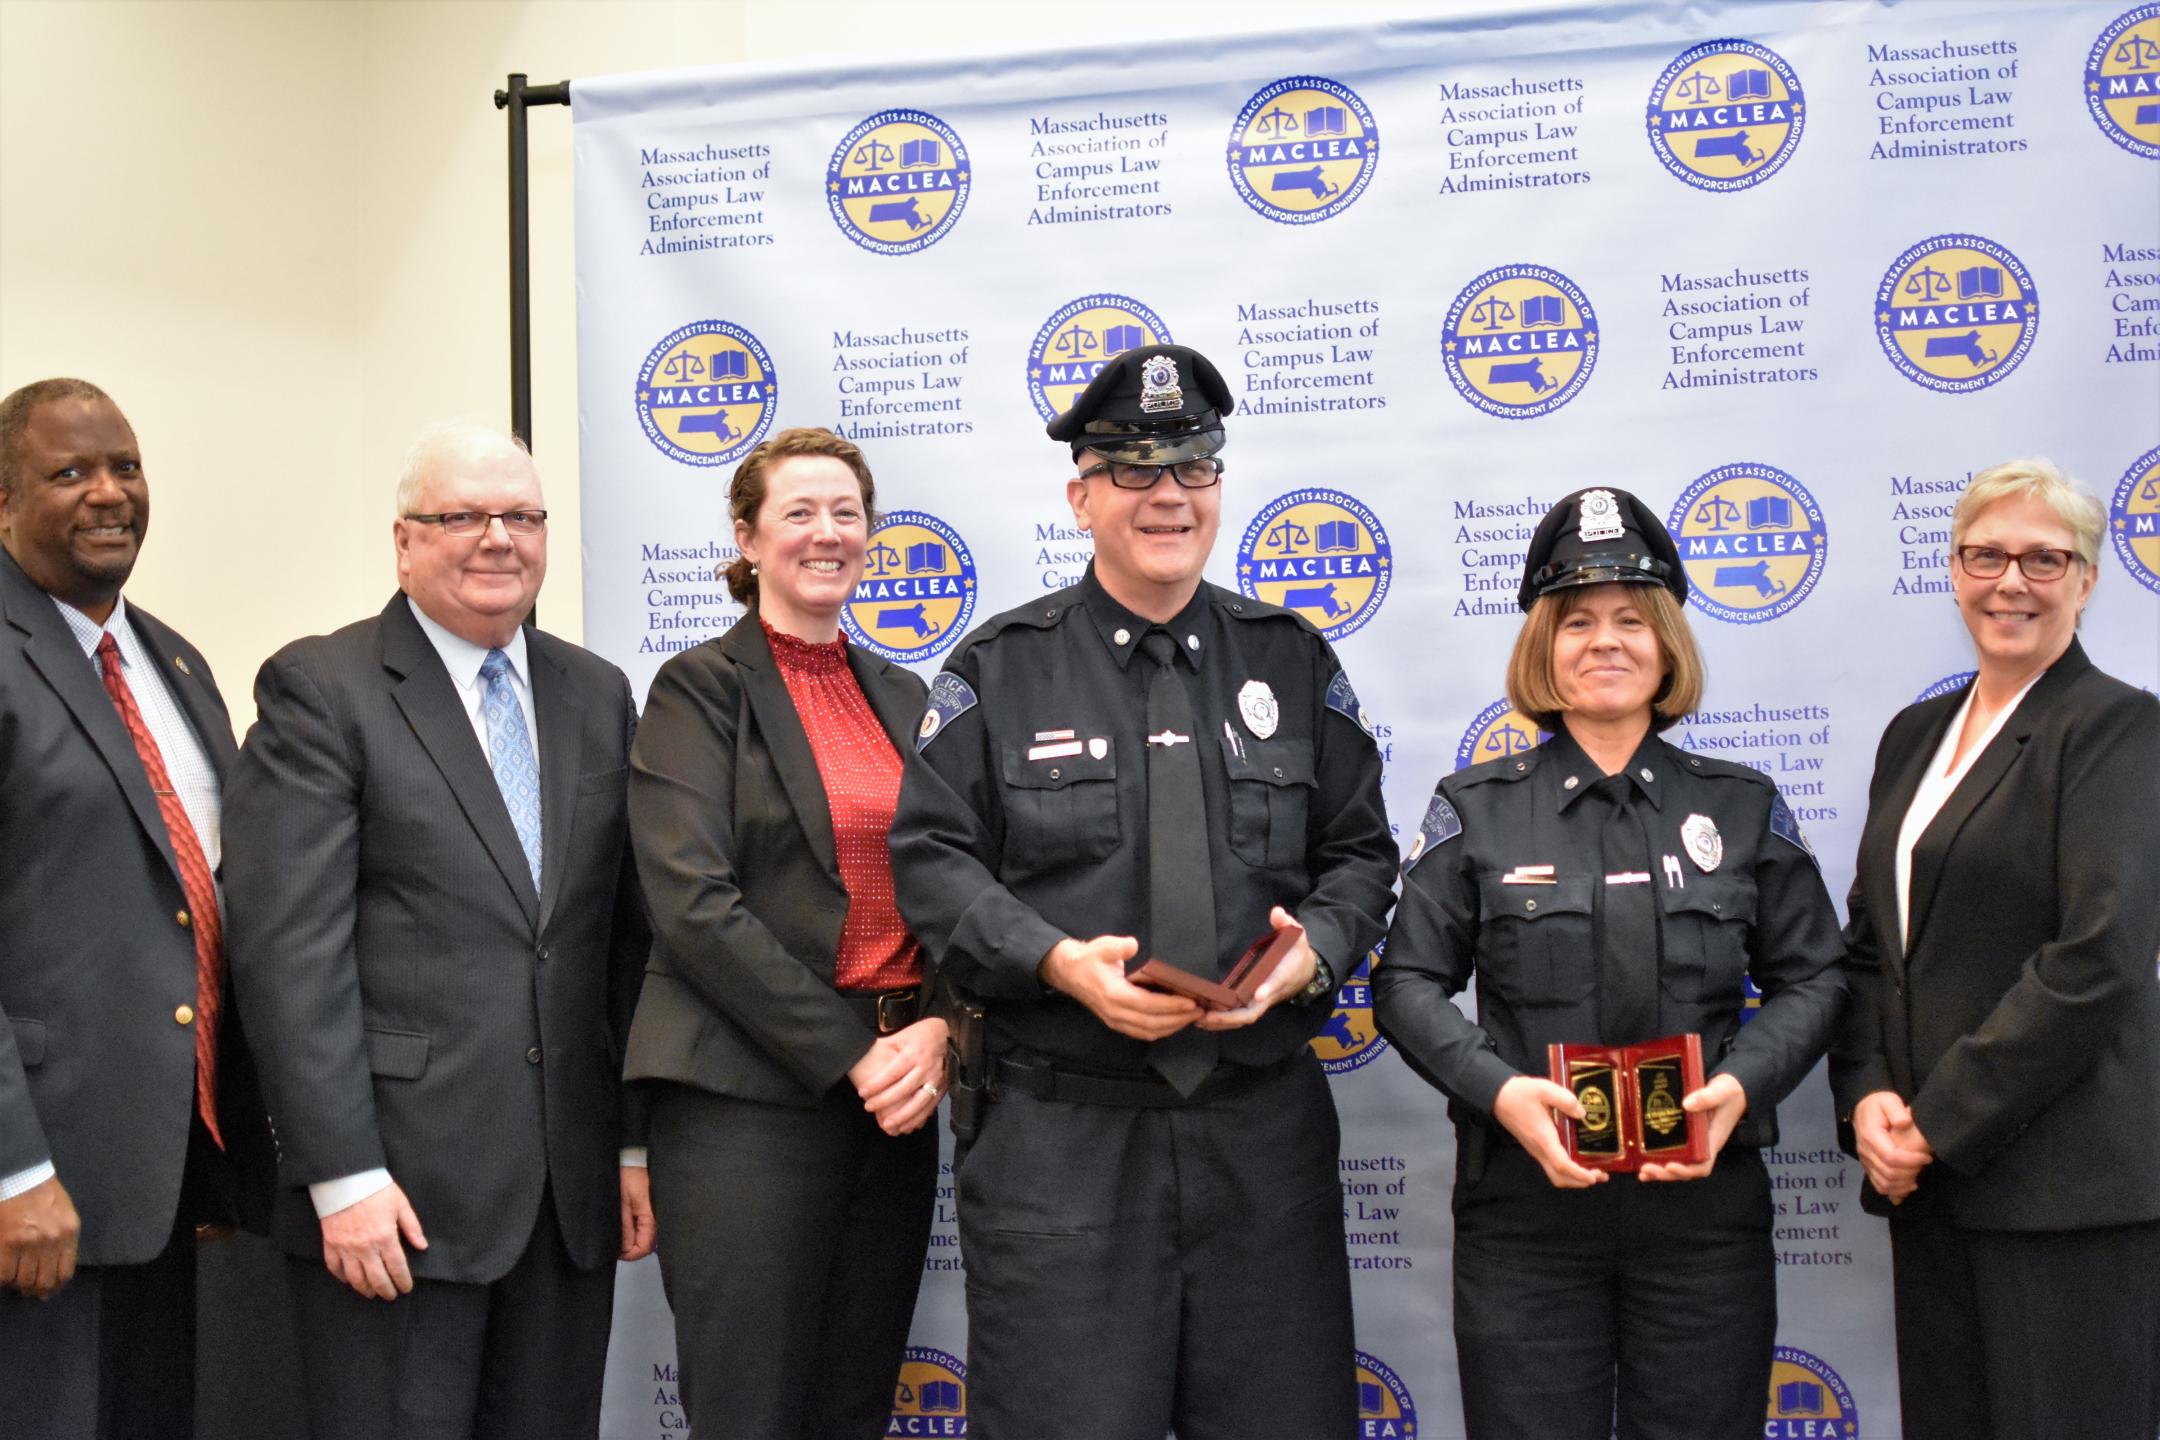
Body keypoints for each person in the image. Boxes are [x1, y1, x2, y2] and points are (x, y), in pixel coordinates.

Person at [891, 345, 1397, 1438]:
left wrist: (1313, 945)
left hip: (1259, 1138)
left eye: (1195, 466)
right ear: (1081, 496)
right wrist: (1055, 962)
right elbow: (933, 864)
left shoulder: (1292, 660)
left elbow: (1361, 855)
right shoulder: (998, 670)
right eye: (1132, 466)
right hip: (1059, 1151)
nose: (1169, 491)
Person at [1371, 488, 1845, 1440]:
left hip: (1703, 1216)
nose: (1606, 641)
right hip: (1528, 1216)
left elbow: (1819, 976)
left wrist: (1742, 1087)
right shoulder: (1478, 809)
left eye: (1633, 618)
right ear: (1542, 648)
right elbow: (1404, 982)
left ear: (1668, 641)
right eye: (1577, 620)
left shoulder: (1742, 807)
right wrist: (1499, 1092)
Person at [221, 420, 652, 1440]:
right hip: (394, 1200)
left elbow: (620, 943)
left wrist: (633, 1143)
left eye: (522, 517)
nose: (497, 539)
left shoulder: (596, 692)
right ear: (405, 541)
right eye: (462, 516)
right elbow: (289, 953)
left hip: (566, 1198)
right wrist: (343, 1175)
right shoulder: (322, 690)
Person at [1829, 459, 2160, 1440]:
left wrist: (1934, 1122)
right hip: (1928, 1188)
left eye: (2043, 559)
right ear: (1955, 567)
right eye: (1987, 555)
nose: (2010, 581)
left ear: (2089, 580)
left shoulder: (2118, 728)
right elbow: (1867, 952)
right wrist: (1869, 1102)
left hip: (2063, 1200)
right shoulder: (1914, 736)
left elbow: (2096, 959)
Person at [624, 427, 945, 1437]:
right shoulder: (698, 688)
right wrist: (855, 1057)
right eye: (799, 512)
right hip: (745, 1105)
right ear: (748, 539)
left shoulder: (906, 695)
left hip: (898, 1096)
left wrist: (937, 1031)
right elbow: (692, 904)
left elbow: (958, 888)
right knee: (751, 1410)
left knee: (853, 1404)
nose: (827, 533)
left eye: (847, 513)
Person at [0, 378, 275, 1439]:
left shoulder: (175, 659)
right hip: (38, 1190)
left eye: (125, 466)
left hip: (166, 1177)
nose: (108, 493)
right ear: (7, 502)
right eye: (69, 472)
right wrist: (16, 1168)